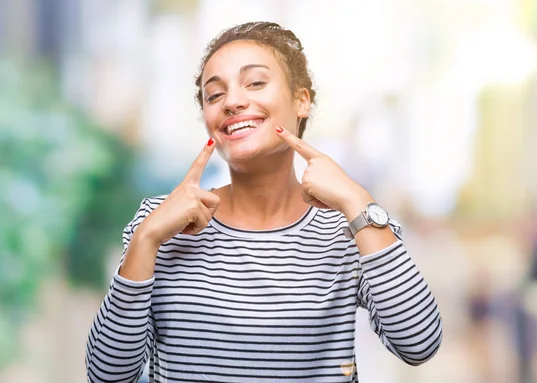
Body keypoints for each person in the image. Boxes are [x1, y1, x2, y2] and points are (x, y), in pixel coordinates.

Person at [85, 21, 442, 383]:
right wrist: (147, 239)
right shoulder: (159, 223)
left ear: (301, 101)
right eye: (214, 95)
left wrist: (357, 198)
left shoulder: (352, 226)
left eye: (255, 83)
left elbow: (420, 343)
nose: (233, 102)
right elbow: (107, 375)